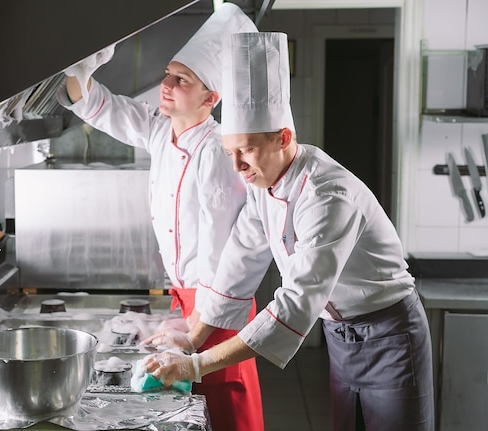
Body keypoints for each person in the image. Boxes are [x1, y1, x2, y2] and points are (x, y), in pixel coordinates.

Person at [145, 32, 435, 431]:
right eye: (230, 153)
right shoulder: (264, 185)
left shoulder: (326, 194)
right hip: (340, 335)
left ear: (283, 138)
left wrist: (195, 365)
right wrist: (193, 337)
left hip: (389, 336)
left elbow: (296, 303)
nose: (238, 167)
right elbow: (237, 263)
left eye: (247, 150)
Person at [56, 4, 265, 431]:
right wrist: (82, 62)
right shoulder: (160, 129)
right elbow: (97, 105)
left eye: (180, 80)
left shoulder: (216, 154)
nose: (165, 86)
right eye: (168, 75)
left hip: (219, 313)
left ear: (211, 99)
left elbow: (222, 262)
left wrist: (194, 336)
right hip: (187, 302)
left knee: (225, 415)